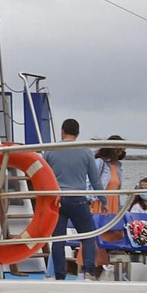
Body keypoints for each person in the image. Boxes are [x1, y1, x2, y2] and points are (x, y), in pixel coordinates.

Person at [42, 118, 101, 281]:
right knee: (88, 236)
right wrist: (103, 199)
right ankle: (89, 272)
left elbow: (42, 176)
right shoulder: (86, 152)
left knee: (58, 239)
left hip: (57, 200)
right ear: (78, 133)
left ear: (62, 131)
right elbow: (95, 180)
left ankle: (60, 275)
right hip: (78, 199)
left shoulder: (50, 150)